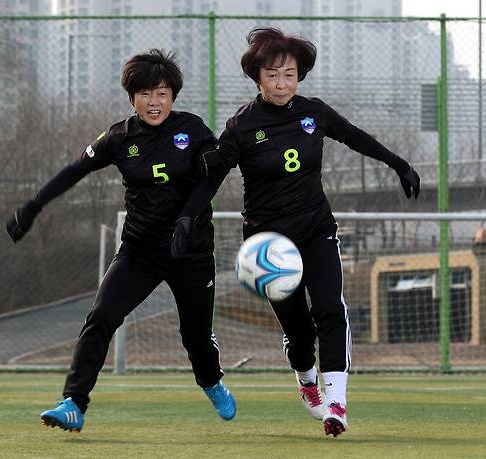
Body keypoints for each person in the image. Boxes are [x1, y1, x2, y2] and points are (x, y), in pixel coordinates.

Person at [172, 28, 420, 437]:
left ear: (299, 75)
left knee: (330, 309)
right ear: (257, 77)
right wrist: (186, 217)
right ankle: (307, 382)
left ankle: (336, 403)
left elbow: (355, 136)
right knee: (300, 333)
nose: (282, 82)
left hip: (315, 228)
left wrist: (398, 164)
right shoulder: (243, 124)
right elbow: (212, 179)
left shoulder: (314, 112)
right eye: (273, 74)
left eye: (290, 74)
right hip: (268, 245)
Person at [6, 49, 236, 432]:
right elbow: (75, 170)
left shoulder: (193, 129)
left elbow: (212, 177)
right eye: (145, 93)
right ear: (132, 97)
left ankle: (211, 381)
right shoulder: (118, 137)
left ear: (173, 96)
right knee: (101, 317)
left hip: (190, 250)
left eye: (162, 93)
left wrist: (186, 220)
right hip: (140, 250)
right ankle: (73, 403)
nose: (154, 101)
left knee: (195, 339)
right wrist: (33, 206)